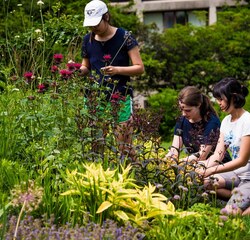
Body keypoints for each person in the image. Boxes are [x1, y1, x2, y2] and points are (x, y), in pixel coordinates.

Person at [80, 0, 144, 159]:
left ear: (106, 17)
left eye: (96, 24)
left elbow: (139, 67)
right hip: (95, 97)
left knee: (124, 146)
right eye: (90, 25)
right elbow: (86, 67)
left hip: (120, 96)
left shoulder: (125, 37)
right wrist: (75, 70)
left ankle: (132, 176)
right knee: (96, 146)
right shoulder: (87, 40)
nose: (93, 28)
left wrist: (117, 70)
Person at [197, 77, 250, 216]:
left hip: (249, 177)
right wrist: (203, 167)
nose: (218, 103)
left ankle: (241, 203)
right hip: (236, 175)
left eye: (221, 99)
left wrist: (211, 170)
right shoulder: (226, 121)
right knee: (207, 182)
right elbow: (218, 154)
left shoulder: (247, 121)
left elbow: (242, 161)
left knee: (230, 214)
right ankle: (241, 197)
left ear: (233, 97)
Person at [165, 86, 231, 163]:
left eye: (188, 110)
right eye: (181, 109)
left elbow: (202, 155)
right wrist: (168, 159)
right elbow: (175, 149)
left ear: (198, 105)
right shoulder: (182, 120)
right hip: (194, 165)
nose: (183, 114)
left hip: (217, 165)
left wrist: (179, 162)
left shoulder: (211, 122)